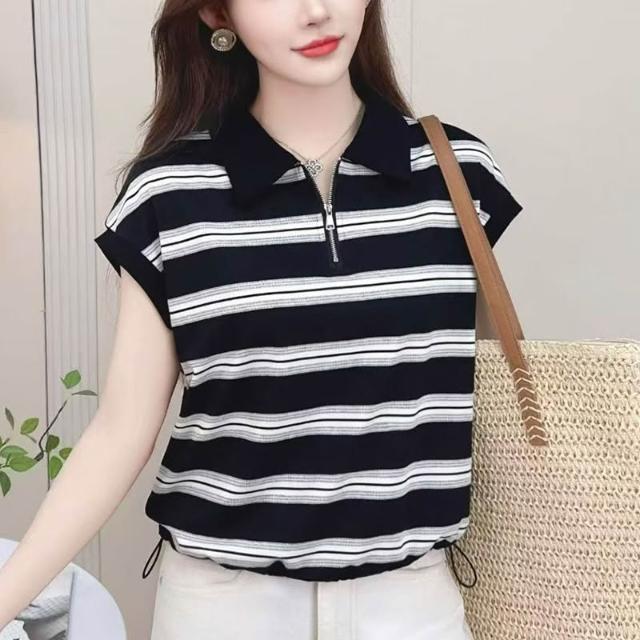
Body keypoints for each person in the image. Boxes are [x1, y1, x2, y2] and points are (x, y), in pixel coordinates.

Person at [0, 0, 525, 638]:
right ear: (217, 15)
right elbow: (120, 432)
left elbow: (483, 395)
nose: (316, 11)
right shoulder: (169, 195)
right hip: (225, 608)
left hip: (413, 604)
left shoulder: (459, 175)